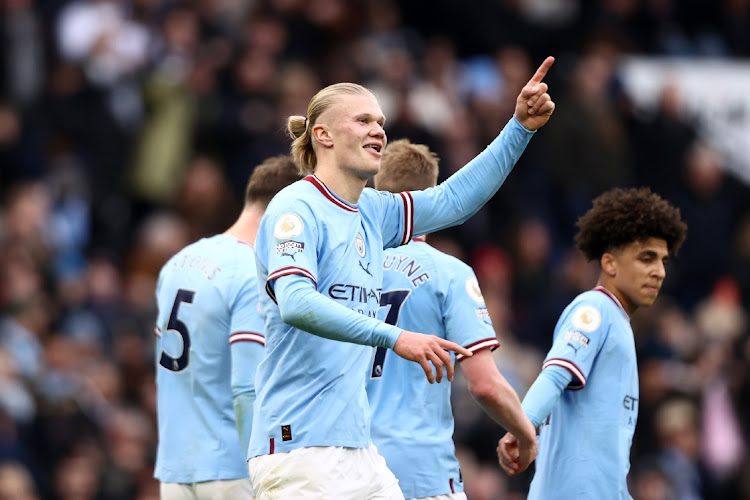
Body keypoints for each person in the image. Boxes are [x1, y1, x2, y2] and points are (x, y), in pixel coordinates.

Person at [248, 56, 555, 499]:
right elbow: (295, 302)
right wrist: (395, 337)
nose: (378, 130)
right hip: (300, 447)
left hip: (358, 450)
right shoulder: (295, 208)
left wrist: (519, 128)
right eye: (363, 120)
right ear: (324, 135)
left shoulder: (372, 213)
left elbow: (454, 199)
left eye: (380, 121)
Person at [365, 138, 538, 499]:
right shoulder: (449, 273)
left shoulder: (348, 273)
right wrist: (525, 431)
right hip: (420, 466)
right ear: (433, 197)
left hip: (350, 461)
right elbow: (484, 385)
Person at [497, 187, 688, 499]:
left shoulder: (619, 323)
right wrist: (523, 427)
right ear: (610, 264)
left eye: (663, 261)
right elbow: (555, 374)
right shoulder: (594, 310)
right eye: (647, 258)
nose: (659, 272)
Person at [153, 155, 301, 500]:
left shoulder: (176, 263)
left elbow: (165, 369)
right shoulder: (254, 271)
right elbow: (248, 388)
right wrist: (262, 469)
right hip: (232, 469)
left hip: (176, 468)